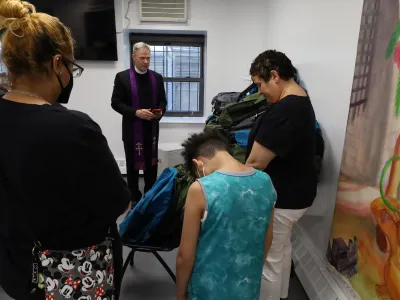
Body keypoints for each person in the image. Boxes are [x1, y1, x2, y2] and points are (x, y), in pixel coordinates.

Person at [0, 1, 131, 299]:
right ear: (58, 64)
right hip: (70, 275)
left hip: (17, 269)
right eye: (72, 68)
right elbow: (117, 203)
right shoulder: (73, 129)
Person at [245, 50, 317, 300]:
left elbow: (255, 162)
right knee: (283, 250)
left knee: (269, 261)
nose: (260, 92)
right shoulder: (302, 100)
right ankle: (283, 295)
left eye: (260, 85)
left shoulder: (285, 111)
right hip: (299, 195)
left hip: (283, 198)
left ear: (274, 76)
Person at [176, 132, 276, 300]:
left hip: (207, 289)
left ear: (198, 164)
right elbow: (268, 238)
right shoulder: (265, 181)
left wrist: (180, 294)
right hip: (247, 287)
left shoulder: (200, 188)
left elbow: (185, 256)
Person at [111, 42, 167, 206]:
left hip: (151, 128)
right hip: (132, 128)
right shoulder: (122, 78)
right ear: (133, 57)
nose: (146, 62)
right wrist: (136, 112)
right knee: (132, 165)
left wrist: (160, 112)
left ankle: (150, 194)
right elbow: (116, 103)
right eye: (142, 58)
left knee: (151, 164)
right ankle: (134, 196)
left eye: (148, 58)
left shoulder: (157, 78)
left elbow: (163, 101)